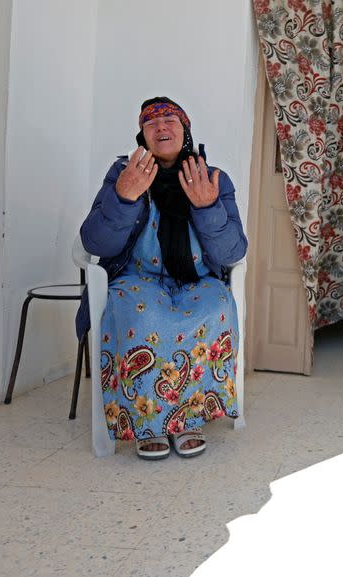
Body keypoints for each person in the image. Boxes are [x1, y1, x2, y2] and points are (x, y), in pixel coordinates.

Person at [76, 97, 248, 460]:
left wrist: (207, 206)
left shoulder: (213, 178)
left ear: (185, 130)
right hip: (139, 278)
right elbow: (94, 242)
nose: (161, 127)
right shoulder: (123, 174)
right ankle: (147, 422)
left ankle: (188, 418)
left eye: (170, 119)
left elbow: (232, 253)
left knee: (216, 305)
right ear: (142, 135)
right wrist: (123, 197)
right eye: (151, 123)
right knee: (141, 315)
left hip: (198, 279)